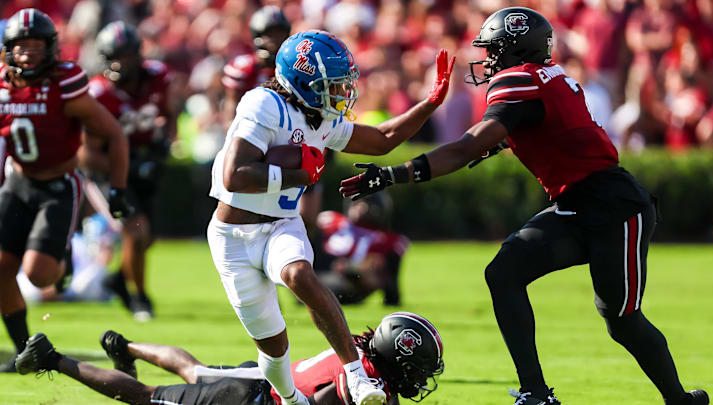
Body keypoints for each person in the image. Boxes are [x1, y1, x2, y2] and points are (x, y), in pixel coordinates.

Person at [340, 7, 709, 405]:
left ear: (516, 50)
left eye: (495, 50)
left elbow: (465, 148)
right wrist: (502, 140)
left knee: (623, 322)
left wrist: (392, 174)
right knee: (504, 273)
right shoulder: (550, 76)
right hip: (575, 204)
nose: (488, 59)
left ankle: (680, 400)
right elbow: (553, 128)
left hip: (614, 208)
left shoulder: (519, 82)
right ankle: (536, 393)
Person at [207, 30, 454, 405]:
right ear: (303, 81)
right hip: (233, 237)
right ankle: (290, 400)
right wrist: (300, 175)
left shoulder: (318, 117)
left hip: (280, 224)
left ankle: (356, 376)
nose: (341, 93)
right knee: (274, 351)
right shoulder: (264, 103)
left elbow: (383, 137)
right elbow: (236, 175)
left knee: (298, 273)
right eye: (331, 85)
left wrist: (430, 103)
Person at [0, 8, 130, 372]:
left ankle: (63, 255)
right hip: (18, 181)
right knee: (1, 269)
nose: (28, 54)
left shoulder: (64, 82)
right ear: (8, 50)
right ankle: (26, 348)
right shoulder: (2, 83)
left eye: (36, 46)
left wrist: (117, 189)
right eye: (21, 46)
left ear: (51, 48)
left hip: (58, 186)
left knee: (39, 275)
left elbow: (115, 133)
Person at [14, 312, 444, 405]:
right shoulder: (370, 390)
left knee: (193, 369)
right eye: (419, 366)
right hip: (249, 400)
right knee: (146, 397)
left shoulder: (355, 348)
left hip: (266, 377)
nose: (421, 376)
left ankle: (126, 348)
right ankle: (52, 359)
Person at [80, 21, 176, 321]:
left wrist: (164, 145)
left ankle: (118, 280)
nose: (123, 62)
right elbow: (86, 153)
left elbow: (169, 116)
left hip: (142, 162)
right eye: (116, 55)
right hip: (107, 171)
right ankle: (139, 298)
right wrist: (129, 164)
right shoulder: (98, 93)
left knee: (147, 238)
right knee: (136, 231)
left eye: (128, 54)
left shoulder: (158, 78)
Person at [316, 192, 408, 305]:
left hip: (350, 285)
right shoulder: (331, 221)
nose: (361, 208)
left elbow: (389, 285)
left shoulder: (386, 239)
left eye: (367, 203)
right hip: (317, 273)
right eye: (357, 203)